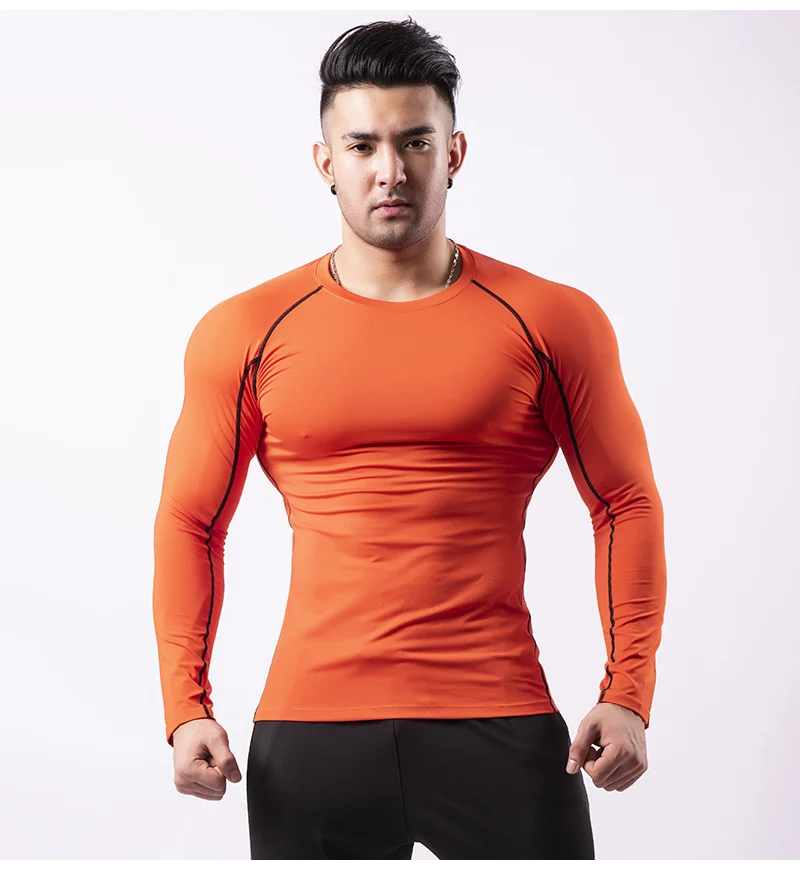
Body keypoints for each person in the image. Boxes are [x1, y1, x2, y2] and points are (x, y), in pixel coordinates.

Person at [152, 16, 667, 860]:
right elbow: (191, 521)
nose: (389, 170)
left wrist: (629, 691)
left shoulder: (551, 320)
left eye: (415, 141)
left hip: (500, 717)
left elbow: (624, 502)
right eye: (361, 146)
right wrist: (185, 707)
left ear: (453, 153)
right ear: (326, 162)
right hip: (311, 731)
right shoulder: (244, 331)